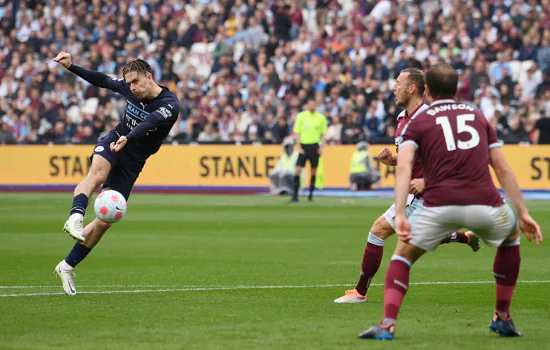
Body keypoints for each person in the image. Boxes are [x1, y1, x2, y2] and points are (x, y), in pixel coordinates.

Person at [359, 64, 542, 340]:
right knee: (511, 236)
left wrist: (401, 212)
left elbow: (405, 168)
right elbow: (502, 169)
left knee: (402, 256)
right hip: (486, 202)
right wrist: (524, 212)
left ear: (427, 90)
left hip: (438, 204)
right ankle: (502, 316)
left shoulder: (418, 121)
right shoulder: (478, 116)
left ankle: (387, 324)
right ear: (457, 90)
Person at [335, 68, 480, 304]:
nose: (393, 87)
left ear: (412, 88)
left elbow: (455, 160)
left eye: (398, 83)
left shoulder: (433, 119)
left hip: (431, 195)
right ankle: (463, 237)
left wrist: (427, 181)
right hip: (415, 196)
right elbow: (409, 158)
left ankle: (363, 295)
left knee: (380, 231)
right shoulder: (402, 119)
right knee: (411, 234)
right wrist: (390, 160)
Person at [52, 52, 180, 296]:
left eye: (135, 82)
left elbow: (149, 122)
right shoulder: (130, 89)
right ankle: (76, 216)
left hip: (132, 161)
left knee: (105, 220)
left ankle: (66, 266)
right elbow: (102, 80)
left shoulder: (170, 105)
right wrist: (72, 67)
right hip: (113, 142)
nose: (131, 88)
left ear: (149, 77)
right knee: (96, 175)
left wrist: (128, 138)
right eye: (128, 83)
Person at [290, 98, 327, 202]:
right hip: (303, 146)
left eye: (314, 104)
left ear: (316, 105)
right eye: (310, 104)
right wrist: (298, 146)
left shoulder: (321, 118)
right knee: (297, 170)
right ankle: (295, 196)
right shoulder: (301, 116)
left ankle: (310, 196)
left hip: (314, 146)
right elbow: (297, 132)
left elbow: (323, 134)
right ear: (307, 105)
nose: (312, 106)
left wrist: (322, 147)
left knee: (313, 171)